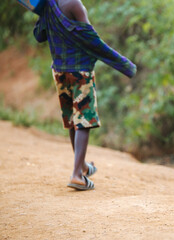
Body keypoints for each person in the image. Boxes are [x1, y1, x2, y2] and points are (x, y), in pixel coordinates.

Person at [33, 0, 136, 191]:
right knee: (84, 119)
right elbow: (92, 41)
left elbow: (39, 36)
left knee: (74, 119)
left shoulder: (49, 4)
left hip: (59, 71)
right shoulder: (75, 5)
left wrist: (41, 14)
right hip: (80, 71)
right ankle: (77, 175)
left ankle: (81, 166)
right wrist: (124, 64)